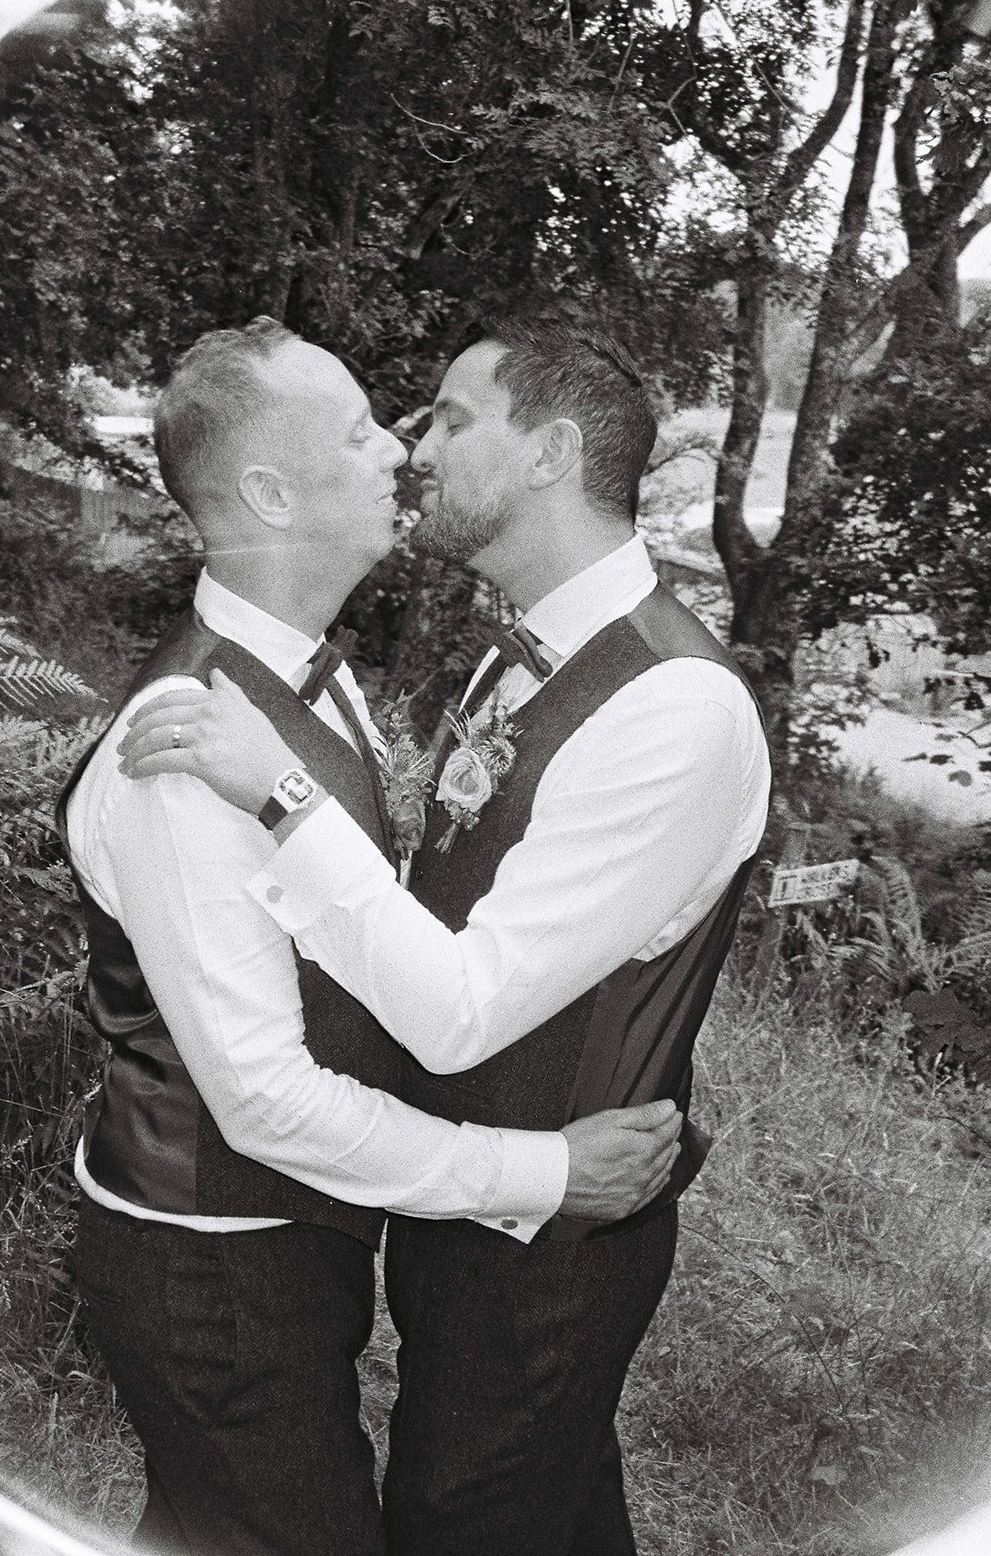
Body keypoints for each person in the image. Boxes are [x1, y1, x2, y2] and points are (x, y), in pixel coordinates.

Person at [120, 312, 773, 1555]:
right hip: (469, 1208)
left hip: (547, 1254)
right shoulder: (516, 660)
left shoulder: (673, 706)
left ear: (550, 452)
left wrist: (282, 795)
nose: (417, 446)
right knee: (549, 1506)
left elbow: (463, 1005)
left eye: (452, 418)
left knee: (462, 1519)